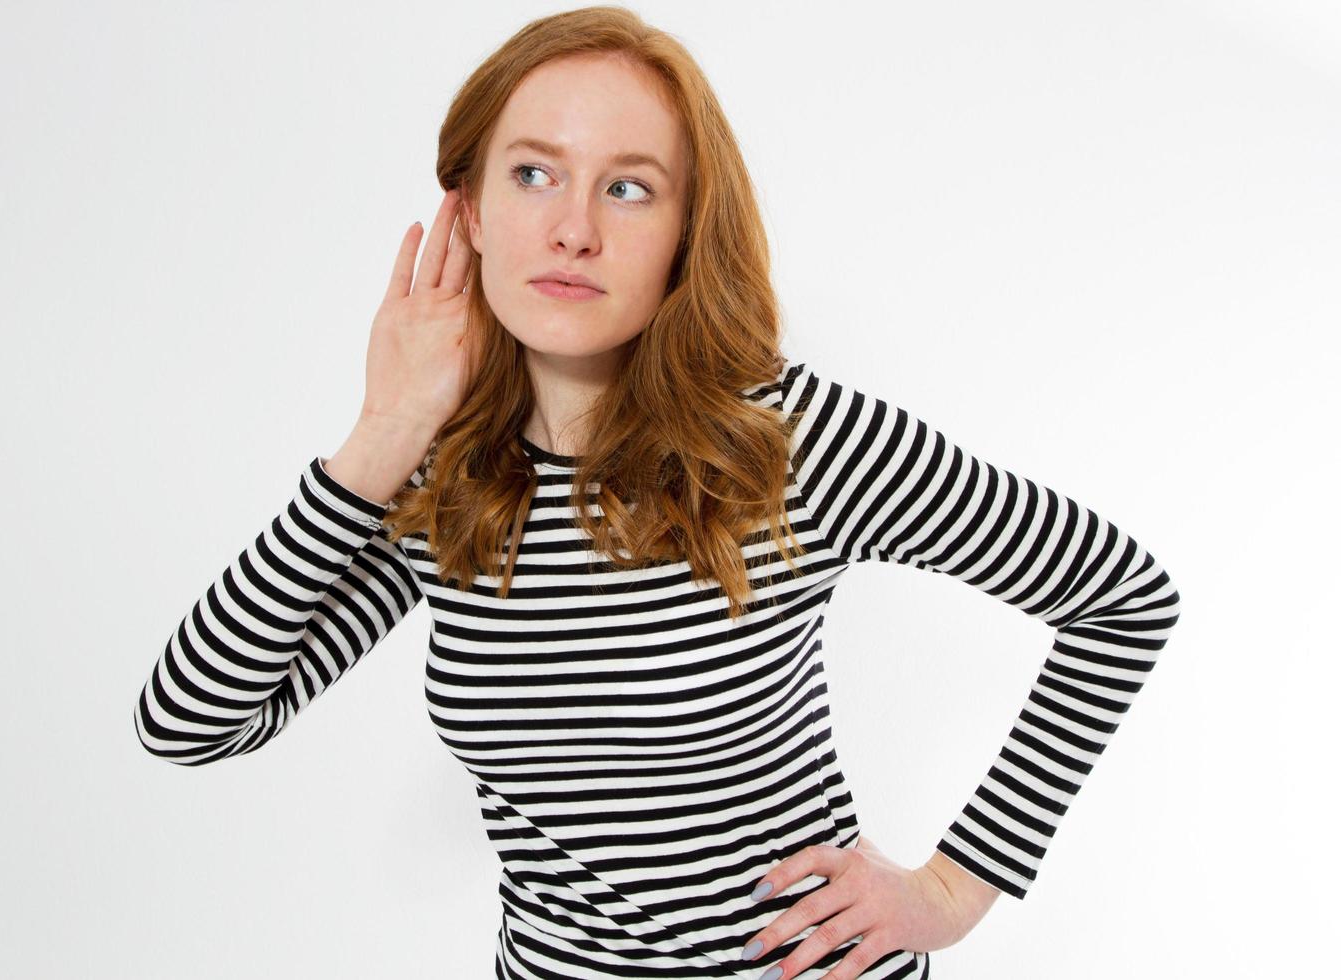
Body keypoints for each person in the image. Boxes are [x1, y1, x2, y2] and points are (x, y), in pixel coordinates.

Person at [133, 7, 1182, 979]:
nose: (574, 228)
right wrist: (382, 434)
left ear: (685, 230)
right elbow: (191, 719)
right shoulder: (446, 477)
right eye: (535, 174)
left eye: (629, 186)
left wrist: (954, 888)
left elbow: (1122, 597)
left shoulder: (791, 441)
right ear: (471, 214)